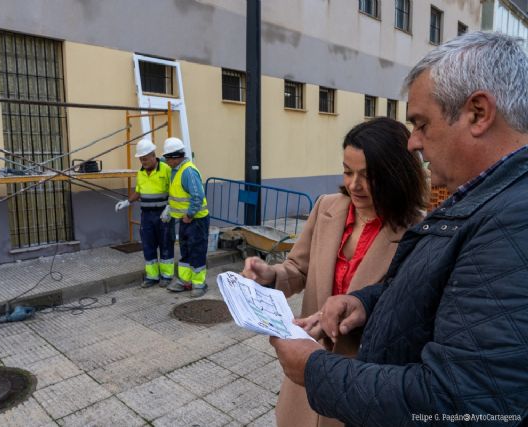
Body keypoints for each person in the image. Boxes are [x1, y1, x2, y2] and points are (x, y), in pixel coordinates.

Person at [270, 31, 528, 426]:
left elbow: (461, 402)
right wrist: (366, 302)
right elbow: (420, 291)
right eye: (347, 172)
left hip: (354, 390)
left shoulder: (510, 219)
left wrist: (315, 370)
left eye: (422, 124)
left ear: (478, 113)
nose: (414, 143)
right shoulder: (476, 202)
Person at [242, 117, 427, 427]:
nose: (354, 185)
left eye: (369, 176)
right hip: (307, 379)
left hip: (361, 383)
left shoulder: (418, 232)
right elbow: (298, 268)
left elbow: (410, 315)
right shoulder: (327, 207)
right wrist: (270, 276)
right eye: (347, 171)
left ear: (397, 174)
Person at [115, 139, 174, 288]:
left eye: (146, 159)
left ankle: (166, 276)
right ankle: (152, 276)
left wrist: (170, 207)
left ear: (153, 155)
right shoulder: (141, 173)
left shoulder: (166, 169)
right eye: (141, 159)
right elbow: (139, 192)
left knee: (166, 244)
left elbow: (175, 190)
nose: (143, 162)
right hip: (147, 216)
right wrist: (127, 202)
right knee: (148, 245)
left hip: (164, 215)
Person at [161, 137, 210, 298]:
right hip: (185, 219)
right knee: (185, 250)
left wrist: (189, 215)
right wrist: (170, 209)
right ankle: (185, 280)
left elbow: (197, 196)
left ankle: (199, 284)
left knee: (197, 250)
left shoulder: (188, 171)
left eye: (168, 158)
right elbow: (177, 194)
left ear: (177, 157)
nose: (166, 161)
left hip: (196, 220)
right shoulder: (176, 170)